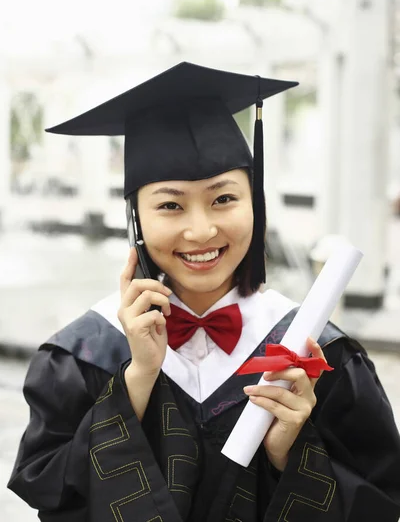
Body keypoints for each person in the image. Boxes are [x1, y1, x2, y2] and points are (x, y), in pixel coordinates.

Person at [8, 62, 400, 521]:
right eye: (170, 205)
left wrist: (289, 452)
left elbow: (380, 500)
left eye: (224, 198)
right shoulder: (84, 355)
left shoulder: (317, 353)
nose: (201, 230)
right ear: (136, 218)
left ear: (256, 202)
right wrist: (135, 383)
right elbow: (49, 493)